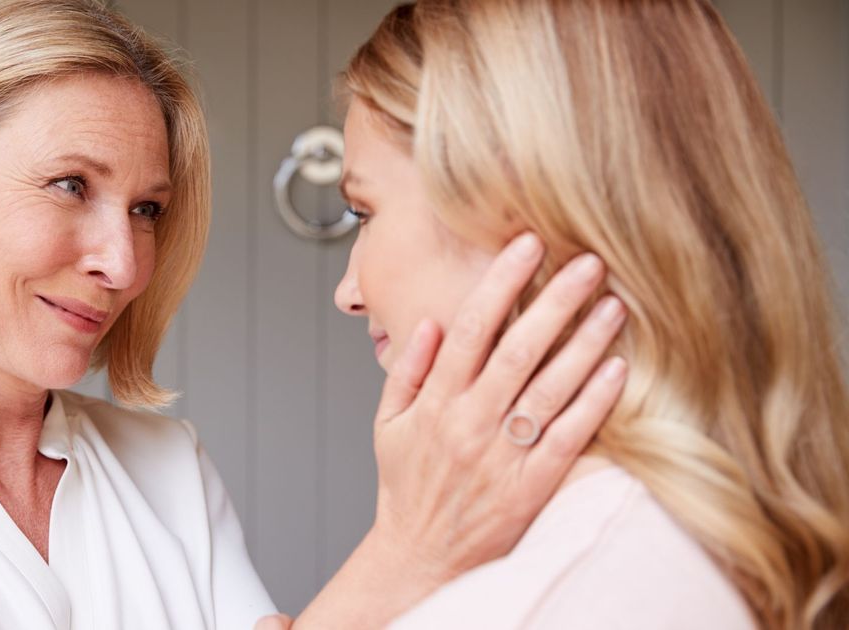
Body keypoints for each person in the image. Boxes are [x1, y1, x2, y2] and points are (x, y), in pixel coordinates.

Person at [0, 1, 628, 628]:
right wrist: (409, 548)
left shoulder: (166, 466)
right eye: (68, 185)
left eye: (147, 209)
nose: (124, 262)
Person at [290, 0, 849, 628]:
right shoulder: (693, 539)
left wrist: (397, 554)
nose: (349, 293)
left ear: (528, 209)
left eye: (365, 213)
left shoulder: (555, 600)